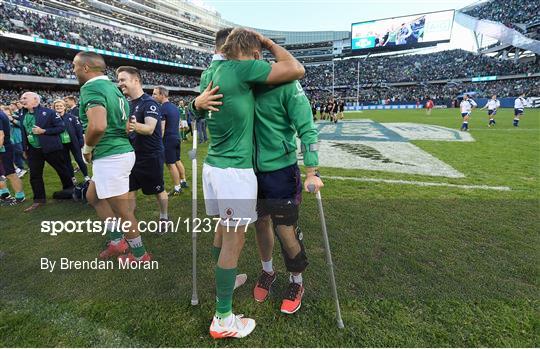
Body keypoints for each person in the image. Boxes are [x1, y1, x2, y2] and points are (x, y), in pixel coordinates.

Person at [191, 27, 305, 339]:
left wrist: (192, 105)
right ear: (246, 50)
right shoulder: (242, 68)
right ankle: (223, 317)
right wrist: (269, 43)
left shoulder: (209, 73)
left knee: (221, 230)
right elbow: (296, 69)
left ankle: (225, 282)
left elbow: (197, 107)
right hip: (234, 171)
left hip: (212, 166)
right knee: (234, 240)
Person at [251, 79, 323, 314]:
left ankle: (296, 282)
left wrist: (312, 171)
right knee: (261, 224)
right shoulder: (243, 83)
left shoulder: (286, 82)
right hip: (249, 171)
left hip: (281, 171)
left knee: (285, 229)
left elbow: (307, 127)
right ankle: (268, 270)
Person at [73, 51, 150, 262]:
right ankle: (117, 242)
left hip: (110, 156)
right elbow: (125, 127)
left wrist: (87, 149)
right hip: (117, 152)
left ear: (86, 68)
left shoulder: (91, 87)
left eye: (75, 66)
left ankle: (140, 255)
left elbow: (98, 125)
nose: (74, 70)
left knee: (123, 211)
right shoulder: (114, 90)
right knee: (94, 196)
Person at [116, 66, 170, 234]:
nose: (120, 84)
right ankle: (131, 224)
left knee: (158, 190)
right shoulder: (126, 104)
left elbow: (149, 129)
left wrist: (128, 125)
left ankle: (164, 218)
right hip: (131, 156)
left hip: (150, 156)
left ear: (136, 80)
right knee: (130, 190)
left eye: (123, 80)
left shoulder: (149, 102)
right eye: (118, 80)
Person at [19, 92, 73, 212]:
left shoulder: (49, 112)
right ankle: (39, 200)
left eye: (24, 98)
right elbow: (24, 133)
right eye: (21, 98)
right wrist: (24, 148)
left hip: (51, 148)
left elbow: (61, 127)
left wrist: (44, 131)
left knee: (62, 170)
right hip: (33, 150)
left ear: (35, 100)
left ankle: (70, 191)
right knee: (35, 175)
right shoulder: (22, 113)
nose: (21, 100)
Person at [152, 86, 188, 196]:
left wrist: (158, 142)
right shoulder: (174, 107)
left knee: (170, 164)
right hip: (176, 138)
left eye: (155, 94)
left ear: (162, 95)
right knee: (177, 160)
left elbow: (162, 128)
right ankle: (183, 181)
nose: (153, 96)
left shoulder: (162, 108)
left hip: (168, 139)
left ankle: (177, 188)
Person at [53, 99, 90, 183]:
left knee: (79, 159)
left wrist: (81, 140)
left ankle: (86, 176)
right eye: (57, 106)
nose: (59, 107)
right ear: (54, 108)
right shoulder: (52, 119)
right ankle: (72, 177)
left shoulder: (71, 117)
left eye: (60, 106)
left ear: (64, 107)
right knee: (67, 161)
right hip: (61, 144)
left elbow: (79, 130)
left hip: (73, 142)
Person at [0, 108, 25, 205]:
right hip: (5, 147)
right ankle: (4, 194)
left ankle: (19, 196)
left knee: (9, 172)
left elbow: (1, 135)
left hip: (4, 148)